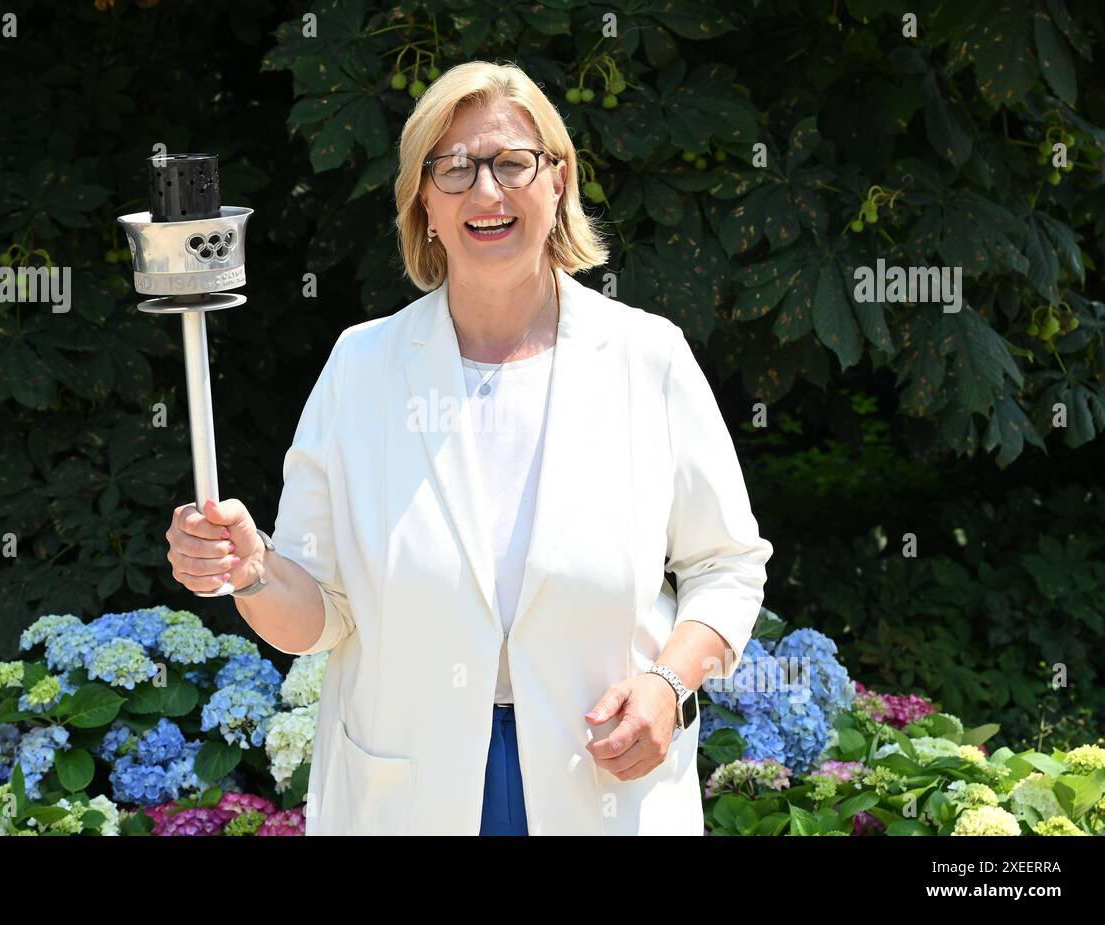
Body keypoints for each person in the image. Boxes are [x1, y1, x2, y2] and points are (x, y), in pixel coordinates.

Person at [165, 60, 773, 835]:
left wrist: (668, 682)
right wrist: (251, 573)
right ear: (423, 199)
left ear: (559, 181)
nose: (486, 192)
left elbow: (727, 565)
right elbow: (318, 614)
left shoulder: (646, 357)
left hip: (604, 783)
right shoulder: (362, 368)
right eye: (452, 168)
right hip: (406, 791)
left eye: (512, 162)